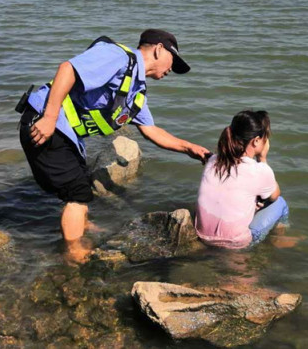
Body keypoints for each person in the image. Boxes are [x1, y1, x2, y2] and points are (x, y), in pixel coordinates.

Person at [19, 29, 211, 262]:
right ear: (159, 49)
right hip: (44, 121)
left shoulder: (136, 92)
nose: (172, 69)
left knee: (80, 183)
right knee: (77, 194)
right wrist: (49, 117)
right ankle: (73, 253)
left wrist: (189, 148)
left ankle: (83, 225)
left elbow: (152, 131)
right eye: (174, 60)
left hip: (64, 132)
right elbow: (67, 69)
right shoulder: (118, 57)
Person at [195, 110, 289, 249]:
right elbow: (274, 196)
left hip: (203, 236)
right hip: (236, 243)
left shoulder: (213, 160)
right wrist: (262, 158)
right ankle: (279, 238)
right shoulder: (259, 170)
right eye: (266, 137)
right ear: (256, 141)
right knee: (281, 204)